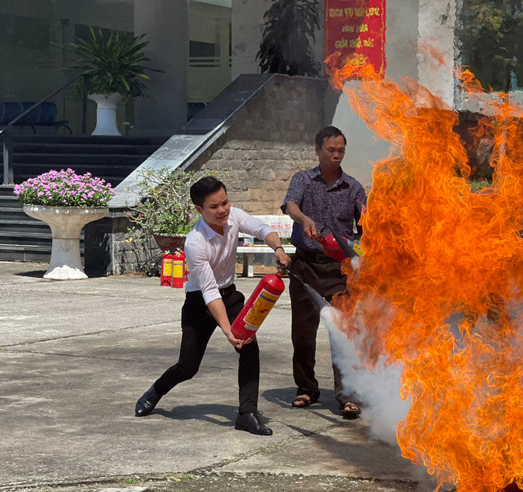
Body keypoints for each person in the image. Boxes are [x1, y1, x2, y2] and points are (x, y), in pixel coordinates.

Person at [134, 176, 291, 435]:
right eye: (214, 207)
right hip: (200, 303)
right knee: (188, 366)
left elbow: (263, 230)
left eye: (225, 203)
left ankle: (246, 413)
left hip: (230, 296)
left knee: (249, 349)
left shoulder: (234, 217)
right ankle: (156, 391)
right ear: (199, 209)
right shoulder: (195, 242)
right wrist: (229, 331)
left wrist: (278, 248)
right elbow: (208, 291)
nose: (222, 210)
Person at [281, 126, 367, 418]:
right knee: (303, 334)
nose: (336, 155)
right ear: (318, 150)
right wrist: (304, 218)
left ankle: (348, 395)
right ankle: (306, 388)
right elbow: (290, 204)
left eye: (340, 150)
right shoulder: (303, 180)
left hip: (340, 269)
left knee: (343, 334)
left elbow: (365, 225)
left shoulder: (353, 187)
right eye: (330, 150)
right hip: (305, 265)